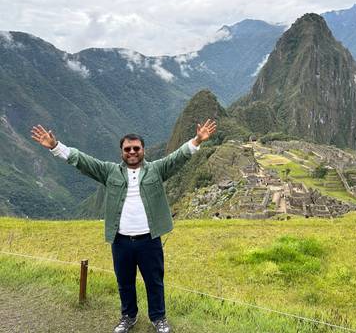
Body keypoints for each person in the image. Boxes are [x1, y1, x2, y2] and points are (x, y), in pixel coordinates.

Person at [31, 119, 217, 333]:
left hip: (149, 239)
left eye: (136, 148)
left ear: (143, 150)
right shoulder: (109, 172)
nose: (132, 152)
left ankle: (159, 318)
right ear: (121, 152)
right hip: (121, 241)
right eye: (127, 149)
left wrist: (197, 140)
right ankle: (128, 316)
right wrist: (56, 147)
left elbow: (178, 157)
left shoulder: (157, 170)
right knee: (124, 282)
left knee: (154, 282)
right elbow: (83, 161)